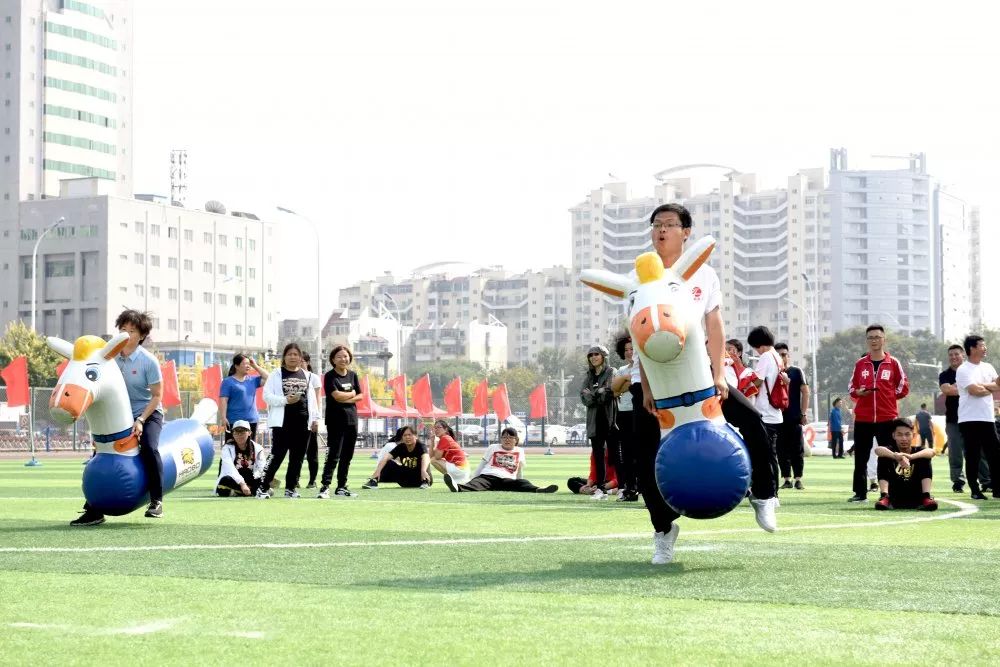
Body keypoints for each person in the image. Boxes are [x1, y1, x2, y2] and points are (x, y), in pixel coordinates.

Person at [631, 203, 780, 564]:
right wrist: (646, 387)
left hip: (701, 373)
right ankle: (663, 530)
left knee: (753, 421)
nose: (661, 230)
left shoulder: (704, 275)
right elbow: (640, 335)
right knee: (644, 457)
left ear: (686, 233)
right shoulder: (638, 280)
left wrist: (718, 375)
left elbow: (714, 325)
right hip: (653, 379)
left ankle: (764, 494)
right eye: (656, 224)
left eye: (669, 224)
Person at [71, 310, 165, 526]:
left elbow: (157, 396)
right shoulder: (108, 359)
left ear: (142, 336)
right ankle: (94, 510)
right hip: (119, 416)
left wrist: (141, 420)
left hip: (147, 413)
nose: (126, 334)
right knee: (101, 454)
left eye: (132, 331)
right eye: (122, 330)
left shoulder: (148, 361)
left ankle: (156, 501)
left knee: (149, 447)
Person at [846, 324, 909, 503]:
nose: (874, 340)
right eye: (870, 338)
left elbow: (903, 386)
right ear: (867, 341)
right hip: (863, 418)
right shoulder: (860, 364)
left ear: (884, 339)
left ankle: (888, 493)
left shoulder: (893, 363)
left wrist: (888, 397)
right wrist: (859, 392)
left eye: (877, 337)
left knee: (887, 456)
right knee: (861, 457)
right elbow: (851, 387)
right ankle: (860, 493)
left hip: (887, 418)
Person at [257, 343, 319, 499]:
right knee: (276, 456)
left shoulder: (307, 375)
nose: (292, 357)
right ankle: (262, 488)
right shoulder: (276, 374)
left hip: (303, 422)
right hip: (282, 422)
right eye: (289, 354)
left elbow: (313, 401)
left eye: (295, 354)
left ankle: (290, 488)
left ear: (300, 358)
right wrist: (285, 400)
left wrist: (315, 419)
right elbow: (266, 396)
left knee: (297, 458)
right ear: (284, 357)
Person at [939, 345, 991, 493]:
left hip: (973, 417)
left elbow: (986, 389)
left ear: (963, 355)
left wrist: (963, 387)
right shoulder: (945, 374)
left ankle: (986, 481)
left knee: (978, 452)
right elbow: (947, 390)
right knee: (955, 453)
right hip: (953, 419)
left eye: (956, 354)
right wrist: (970, 388)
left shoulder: (972, 371)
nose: (953, 357)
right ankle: (958, 481)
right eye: (951, 355)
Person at [444, 427, 557, 493]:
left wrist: (518, 482)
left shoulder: (520, 451)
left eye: (510, 437)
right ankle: (457, 487)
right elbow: (482, 464)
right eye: (504, 437)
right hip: (488, 476)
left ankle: (540, 489)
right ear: (501, 439)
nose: (507, 440)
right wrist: (472, 479)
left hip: (507, 480)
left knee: (523, 482)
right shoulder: (493, 447)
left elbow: (519, 470)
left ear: (516, 440)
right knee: (476, 484)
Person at [956, 335, 1000, 500]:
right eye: (982, 345)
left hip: (988, 418)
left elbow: (997, 385)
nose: (985, 348)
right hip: (969, 419)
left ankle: (997, 488)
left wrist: (983, 385)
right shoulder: (963, 369)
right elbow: (975, 391)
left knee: (995, 454)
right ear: (972, 348)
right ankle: (975, 490)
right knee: (973, 455)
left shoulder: (988, 367)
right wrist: (989, 387)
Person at [318, 345, 363, 498]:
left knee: (347, 456)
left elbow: (361, 395)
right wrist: (351, 393)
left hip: (352, 420)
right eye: (339, 356)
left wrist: (347, 397)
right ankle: (325, 487)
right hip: (335, 421)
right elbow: (336, 396)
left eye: (345, 356)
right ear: (333, 359)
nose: (343, 359)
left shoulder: (353, 375)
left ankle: (342, 487)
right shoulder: (330, 376)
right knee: (333, 455)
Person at [747, 326, 784, 495]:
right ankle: (772, 492)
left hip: (765, 411)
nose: (757, 351)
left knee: (764, 456)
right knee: (771, 456)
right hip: (775, 412)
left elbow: (758, 381)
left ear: (759, 344)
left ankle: (770, 492)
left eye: (756, 347)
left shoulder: (766, 356)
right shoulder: (777, 356)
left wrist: (743, 389)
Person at [873, 418, 938, 511]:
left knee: (924, 457)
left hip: (917, 498)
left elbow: (932, 452)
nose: (904, 438)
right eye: (899, 435)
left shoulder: (918, 450)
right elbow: (878, 450)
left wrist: (911, 457)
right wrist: (896, 456)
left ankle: (926, 497)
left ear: (913, 435)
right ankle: (884, 497)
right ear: (893, 435)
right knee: (883, 457)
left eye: (907, 434)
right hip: (894, 498)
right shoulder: (891, 450)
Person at [580, 344, 616, 499]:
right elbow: (584, 398)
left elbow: (608, 394)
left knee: (615, 455)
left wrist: (593, 394)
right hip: (594, 422)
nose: (593, 357)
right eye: (591, 355)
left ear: (603, 356)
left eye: (596, 354)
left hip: (610, 420)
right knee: (598, 456)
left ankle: (623, 488)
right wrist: (598, 392)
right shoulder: (588, 376)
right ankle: (600, 489)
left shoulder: (611, 372)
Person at [775, 342, 809, 490]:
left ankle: (798, 479)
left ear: (788, 356)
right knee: (781, 449)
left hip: (794, 416)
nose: (781, 357)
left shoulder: (796, 371)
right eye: (778, 355)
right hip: (777, 416)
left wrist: (803, 413)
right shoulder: (772, 372)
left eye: (784, 354)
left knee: (797, 448)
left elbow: (805, 392)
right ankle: (787, 479)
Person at [611, 333, 638, 501]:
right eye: (626, 350)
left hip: (639, 412)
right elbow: (615, 391)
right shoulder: (622, 370)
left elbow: (630, 387)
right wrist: (628, 378)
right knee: (626, 453)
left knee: (640, 453)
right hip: (624, 414)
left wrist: (624, 383)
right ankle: (630, 488)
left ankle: (643, 487)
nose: (629, 352)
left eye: (632, 349)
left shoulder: (644, 368)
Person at [218, 353, 269, 444]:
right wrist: (223, 417)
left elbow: (268, 378)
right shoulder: (228, 382)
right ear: (236, 366)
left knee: (250, 448)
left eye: (249, 364)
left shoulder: (252, 380)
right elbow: (223, 400)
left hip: (251, 420)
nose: (248, 366)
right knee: (232, 448)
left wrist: (255, 366)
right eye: (245, 364)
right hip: (234, 421)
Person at [362, 426, 432, 489]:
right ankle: (374, 481)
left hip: (420, 479)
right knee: (388, 462)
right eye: (405, 435)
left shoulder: (420, 446)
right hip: (406, 480)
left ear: (415, 436)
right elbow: (386, 457)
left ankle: (425, 482)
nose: (407, 437)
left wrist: (423, 471)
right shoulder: (401, 447)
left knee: (424, 462)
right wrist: (377, 471)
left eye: (409, 435)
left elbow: (426, 457)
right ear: (402, 437)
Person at [215, 420, 266, 496]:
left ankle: (238, 492)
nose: (239, 435)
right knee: (225, 481)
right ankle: (253, 491)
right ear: (232, 434)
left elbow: (262, 467)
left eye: (242, 432)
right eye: (236, 432)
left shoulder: (258, 448)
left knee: (263, 480)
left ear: (249, 433)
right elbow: (229, 468)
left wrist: (266, 479)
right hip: (234, 480)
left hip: (250, 480)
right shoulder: (227, 448)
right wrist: (242, 484)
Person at [298, 352, 323, 490]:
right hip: (297, 419)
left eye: (302, 361)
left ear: (307, 362)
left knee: (312, 452)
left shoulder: (314, 378)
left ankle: (312, 480)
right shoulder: (292, 377)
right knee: (296, 452)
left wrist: (317, 419)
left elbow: (318, 399)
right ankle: (295, 479)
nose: (299, 363)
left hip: (311, 419)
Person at [429, 419, 470, 485]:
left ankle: (452, 479)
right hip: (463, 470)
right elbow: (431, 456)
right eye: (435, 428)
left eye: (439, 427)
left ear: (445, 429)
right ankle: (455, 480)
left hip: (460, 469)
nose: (436, 430)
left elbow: (436, 457)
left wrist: (434, 446)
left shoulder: (444, 438)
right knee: (433, 459)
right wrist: (432, 441)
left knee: (434, 460)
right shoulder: (446, 438)